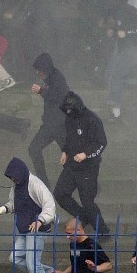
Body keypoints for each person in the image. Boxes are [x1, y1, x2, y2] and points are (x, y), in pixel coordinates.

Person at [0, 157, 56, 273]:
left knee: (32, 262)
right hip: (24, 230)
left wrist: (40, 220)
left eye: (14, 176)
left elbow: (50, 205)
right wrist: (3, 209)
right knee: (14, 258)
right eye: (11, 177)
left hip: (37, 229)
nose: (13, 179)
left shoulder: (36, 185)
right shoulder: (16, 187)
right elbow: (13, 204)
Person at [53, 91, 110, 237]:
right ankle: (83, 216)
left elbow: (101, 143)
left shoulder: (92, 119)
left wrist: (86, 154)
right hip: (71, 166)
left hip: (88, 169)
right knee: (60, 193)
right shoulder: (69, 119)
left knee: (88, 202)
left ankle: (103, 231)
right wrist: (64, 151)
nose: (68, 113)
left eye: (70, 110)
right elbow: (69, 138)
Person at [28, 53, 68, 185]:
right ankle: (43, 182)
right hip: (50, 125)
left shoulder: (57, 78)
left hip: (59, 125)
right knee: (34, 149)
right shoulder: (50, 78)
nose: (37, 73)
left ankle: (89, 183)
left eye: (39, 70)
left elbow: (59, 97)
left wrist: (41, 91)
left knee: (70, 156)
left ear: (45, 68)